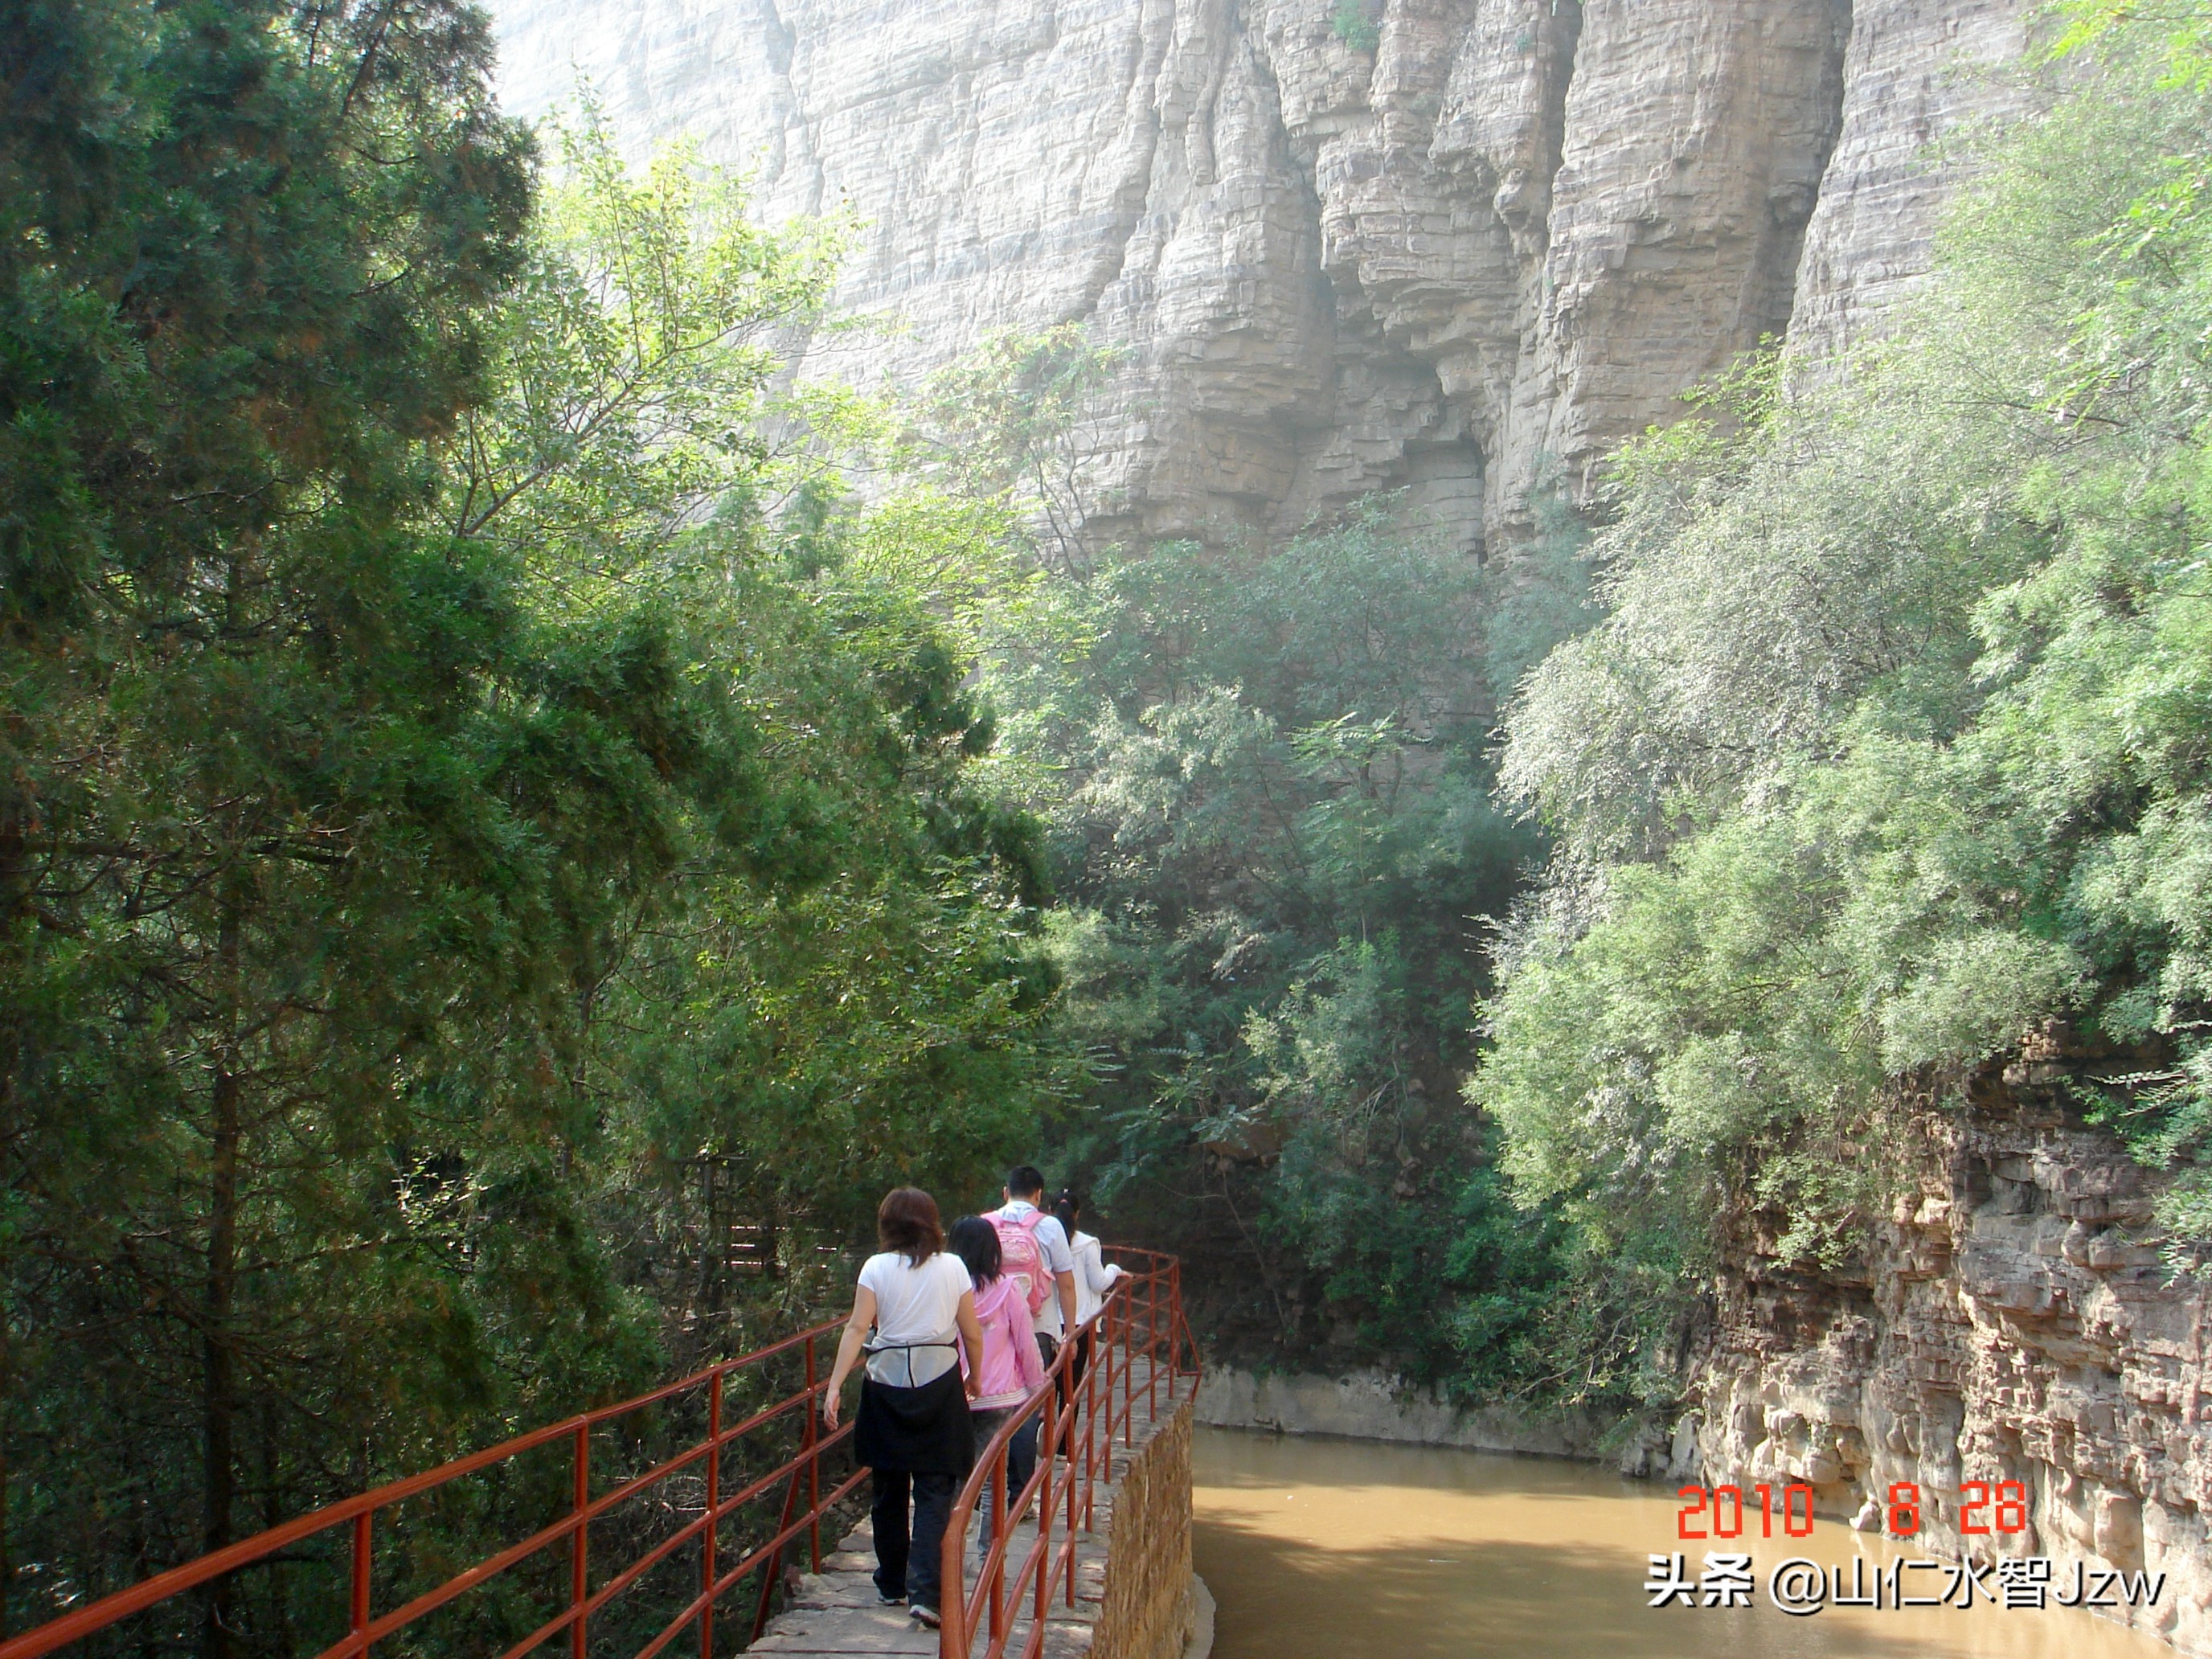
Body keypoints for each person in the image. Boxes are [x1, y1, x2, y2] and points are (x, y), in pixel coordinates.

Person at [822, 1188, 985, 1631]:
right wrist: (977, 1377)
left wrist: (834, 1387)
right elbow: (971, 1333)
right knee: (935, 1492)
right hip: (940, 1385)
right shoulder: (954, 1267)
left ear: (887, 1224)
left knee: (888, 1490)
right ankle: (926, 1593)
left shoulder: (875, 1268)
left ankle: (891, 1582)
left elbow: (858, 1328)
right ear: (932, 1223)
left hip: (885, 1386)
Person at [946, 1215, 1047, 1549]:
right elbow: (1025, 1344)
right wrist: (1039, 1387)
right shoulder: (1008, 1291)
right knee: (992, 1481)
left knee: (956, 1477)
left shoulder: (947, 1294)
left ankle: (947, 1553)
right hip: (1001, 1398)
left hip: (955, 1396)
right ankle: (988, 1552)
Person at [987, 1166, 1078, 1369]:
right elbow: (1066, 1286)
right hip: (1038, 1326)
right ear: (1039, 1194)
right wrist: (1070, 1334)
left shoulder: (985, 1224)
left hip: (992, 1325)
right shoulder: (1051, 1226)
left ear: (1005, 1192)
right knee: (1038, 1392)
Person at [1051, 1190, 1123, 1428]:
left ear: (1049, 1212)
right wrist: (1114, 1269)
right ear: (1078, 1214)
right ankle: (1063, 1447)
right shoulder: (1087, 1244)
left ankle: (1040, 1439)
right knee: (1071, 1387)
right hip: (1080, 1323)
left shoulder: (1041, 1241)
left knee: (1046, 1383)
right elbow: (1099, 1283)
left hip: (1048, 1322)